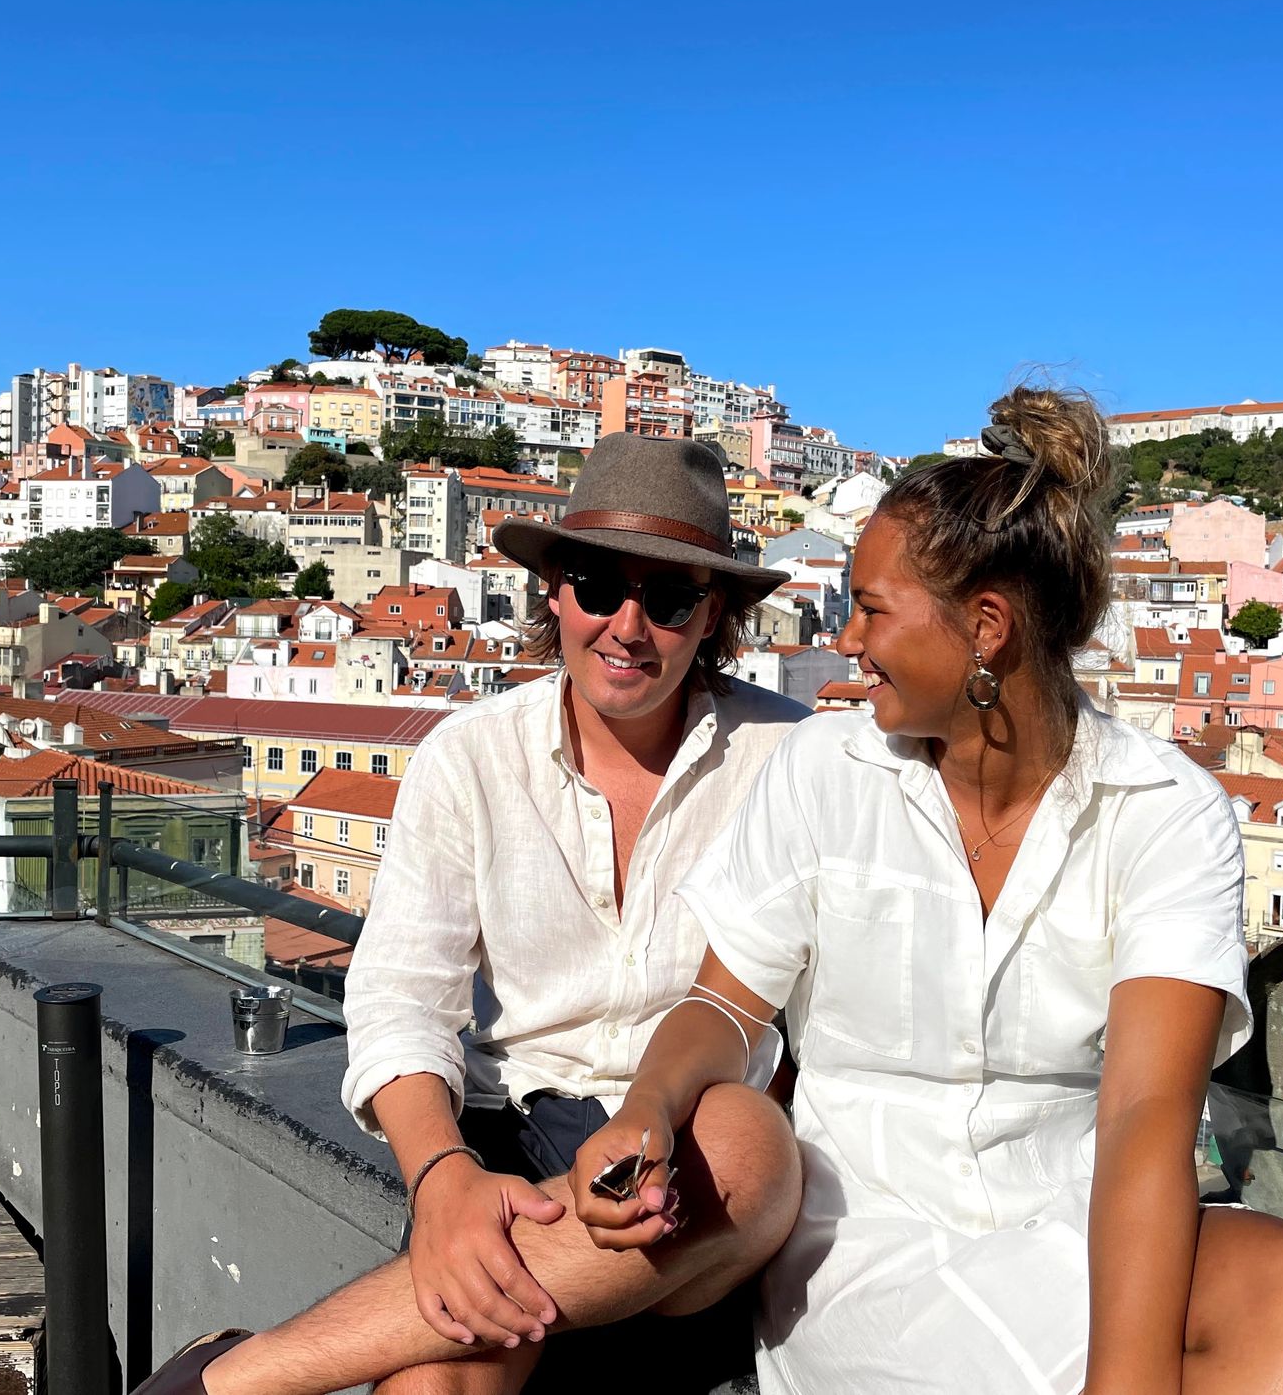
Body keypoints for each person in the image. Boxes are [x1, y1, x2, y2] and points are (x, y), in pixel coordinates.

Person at [570, 386, 1283, 1395]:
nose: (849, 640)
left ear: (986, 629)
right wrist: (648, 1105)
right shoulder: (824, 769)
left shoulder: (1163, 807)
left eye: (869, 609)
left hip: (1070, 1219)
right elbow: (720, 1004)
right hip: (862, 1240)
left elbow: (1145, 1115)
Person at [137, 433, 810, 1395]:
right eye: (596, 585)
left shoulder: (793, 761)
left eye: (667, 599)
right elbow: (403, 996)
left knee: (745, 1141)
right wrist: (444, 1179)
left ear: (713, 617)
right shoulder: (470, 756)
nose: (627, 626)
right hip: (515, 1130)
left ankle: (235, 1380)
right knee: (436, 1383)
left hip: (696, 1156)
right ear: (553, 593)